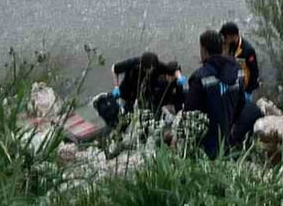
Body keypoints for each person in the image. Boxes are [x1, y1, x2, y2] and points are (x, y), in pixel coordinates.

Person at [185, 29, 241, 159]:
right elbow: (241, 103)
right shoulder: (237, 72)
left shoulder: (200, 78)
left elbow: (190, 114)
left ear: (204, 50)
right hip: (229, 142)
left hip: (206, 147)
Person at [100, 52, 182, 127]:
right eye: (149, 69)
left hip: (143, 94)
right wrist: (116, 86)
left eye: (152, 69)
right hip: (128, 91)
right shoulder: (133, 63)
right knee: (123, 113)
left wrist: (179, 77)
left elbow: (173, 69)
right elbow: (114, 69)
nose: (151, 71)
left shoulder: (157, 66)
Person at [220, 22, 261, 99]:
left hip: (245, 91)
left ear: (234, 36)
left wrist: (248, 90)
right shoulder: (227, 48)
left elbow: (254, 71)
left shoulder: (247, 50)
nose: (225, 40)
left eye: (226, 37)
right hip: (231, 89)